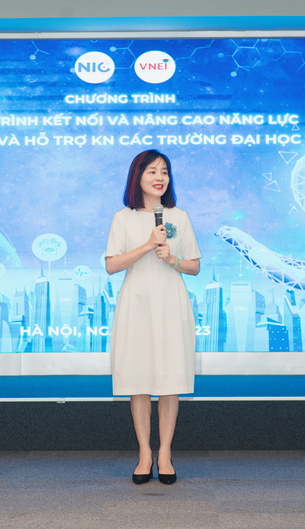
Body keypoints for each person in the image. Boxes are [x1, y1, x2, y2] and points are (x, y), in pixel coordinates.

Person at [104, 149, 201, 485]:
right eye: (152, 172)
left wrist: (173, 260)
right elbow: (112, 265)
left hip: (171, 301)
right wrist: (147, 245)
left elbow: (194, 266)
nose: (160, 178)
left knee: (170, 382)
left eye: (165, 172)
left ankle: (165, 454)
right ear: (138, 177)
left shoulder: (179, 216)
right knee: (139, 381)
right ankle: (145, 453)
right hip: (137, 303)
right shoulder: (123, 218)